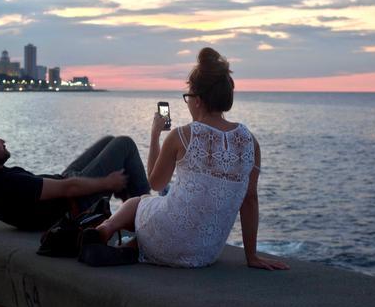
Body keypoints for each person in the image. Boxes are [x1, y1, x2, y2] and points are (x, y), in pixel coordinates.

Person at [85, 48, 289, 270]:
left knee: (139, 202)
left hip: (168, 234)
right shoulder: (250, 141)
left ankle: (103, 231)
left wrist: (155, 135)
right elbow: (250, 200)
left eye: (188, 97)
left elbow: (155, 183)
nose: (188, 102)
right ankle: (131, 248)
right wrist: (252, 257)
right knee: (161, 212)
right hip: (204, 253)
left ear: (198, 100)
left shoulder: (182, 135)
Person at [0, 125, 150, 231]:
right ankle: (148, 220)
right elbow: (68, 189)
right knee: (125, 144)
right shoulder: (7, 184)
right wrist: (108, 183)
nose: (3, 141)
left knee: (109, 140)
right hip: (76, 203)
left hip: (66, 187)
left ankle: (129, 211)